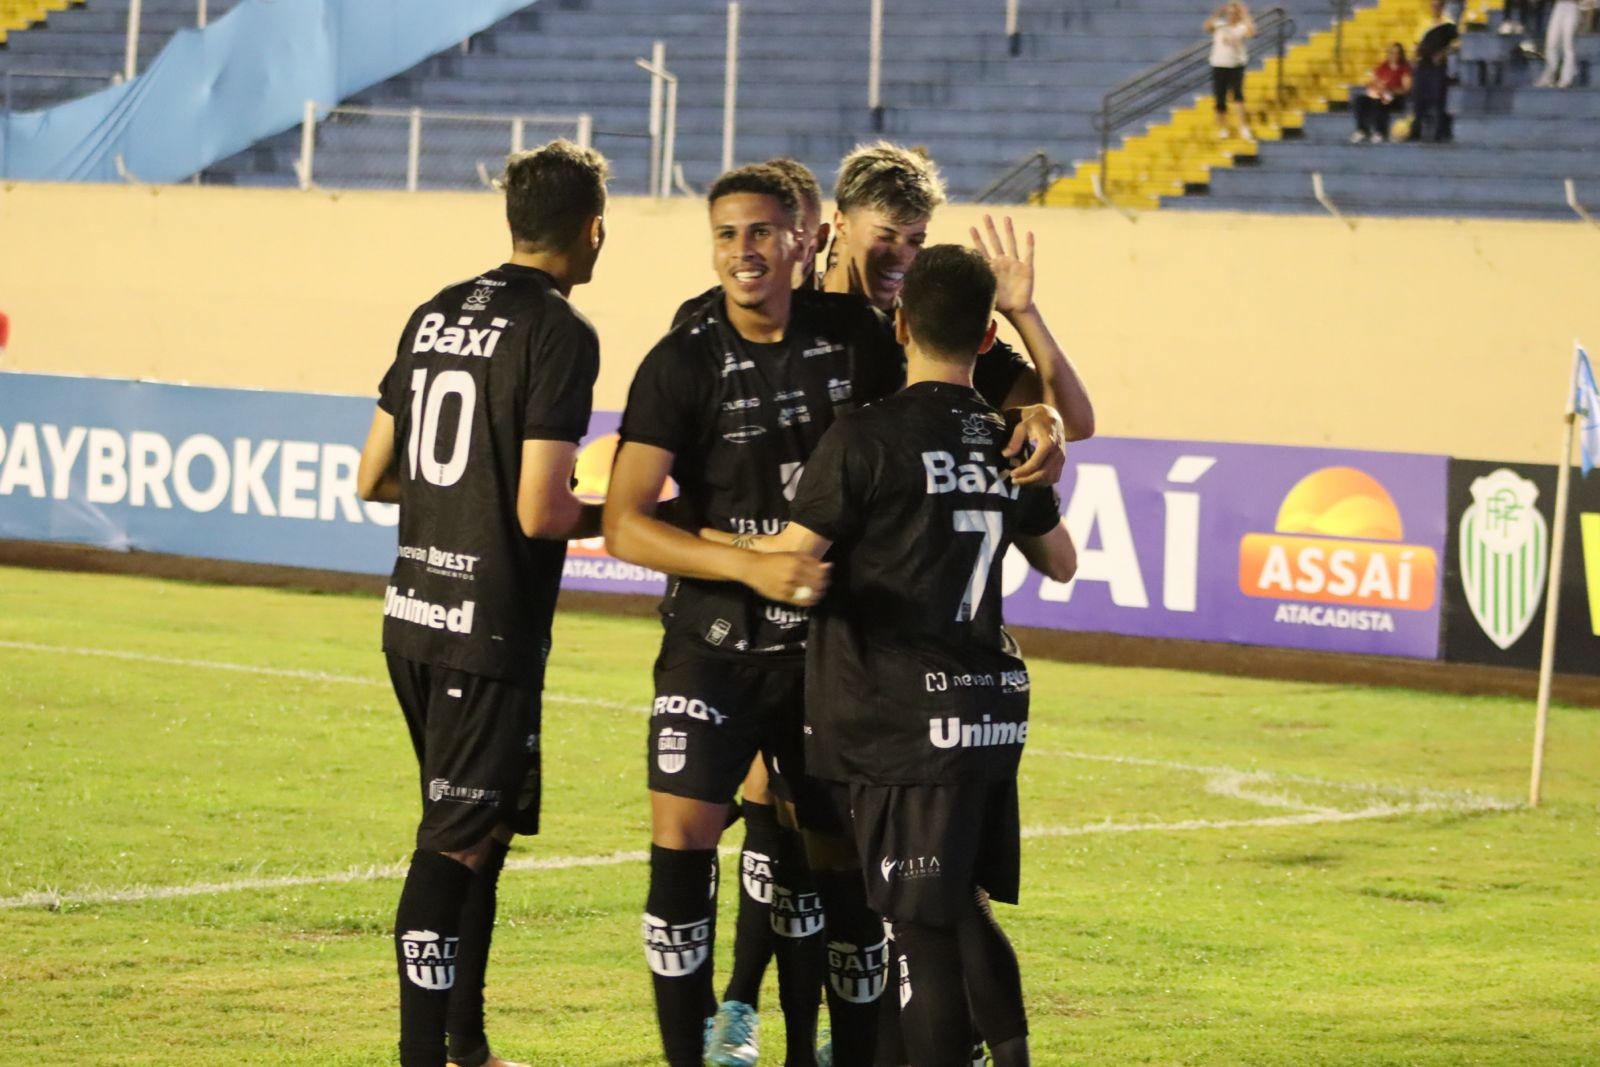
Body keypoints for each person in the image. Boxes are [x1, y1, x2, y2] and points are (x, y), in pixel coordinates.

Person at [602, 163, 1066, 1067]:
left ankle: (832, 1045)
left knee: (874, 899)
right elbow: (624, 523)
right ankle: (730, 1023)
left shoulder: (867, 356)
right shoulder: (693, 347)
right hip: (768, 651)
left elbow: (1032, 406)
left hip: (851, 670)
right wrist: (751, 564)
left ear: (806, 237)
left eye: (766, 231)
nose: (748, 250)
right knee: (739, 853)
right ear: (834, 229)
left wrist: (1040, 409)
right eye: (730, 233)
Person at [707, 245, 1078, 1067]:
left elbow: (794, 566)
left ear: (901, 323)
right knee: (959, 908)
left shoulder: (864, 437)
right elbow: (1061, 559)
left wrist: (709, 537)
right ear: (986, 337)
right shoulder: (1004, 436)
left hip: (898, 718)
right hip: (988, 710)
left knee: (914, 925)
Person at [355, 139, 610, 1067]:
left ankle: (466, 1045)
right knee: (455, 844)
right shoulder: (561, 333)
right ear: (592, 230)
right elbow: (542, 509)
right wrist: (626, 511)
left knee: (483, 831)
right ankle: (426, 1055)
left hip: (415, 617)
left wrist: (447, 507)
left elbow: (373, 476)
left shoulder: (432, 314)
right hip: (486, 629)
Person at [821, 141, 1096, 443]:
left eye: (915, 239)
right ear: (840, 224)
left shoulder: (932, 323)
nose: (902, 256)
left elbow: (1074, 425)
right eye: (885, 236)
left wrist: (1023, 313)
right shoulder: (791, 311)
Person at [1204, 2, 1257, 142]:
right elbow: (1207, 27)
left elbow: (1252, 32)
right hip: (1219, 64)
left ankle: (1243, 127)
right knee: (1219, 98)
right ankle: (1223, 128)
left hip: (1236, 65)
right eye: (1229, 13)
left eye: (1234, 13)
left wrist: (1245, 15)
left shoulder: (1241, 27)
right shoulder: (1220, 25)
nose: (1231, 16)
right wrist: (1217, 13)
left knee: (1238, 95)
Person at [1411, 1, 1461, 143]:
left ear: (1443, 6)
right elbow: (1417, 42)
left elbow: (1456, 45)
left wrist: (1443, 54)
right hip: (1423, 65)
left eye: (1438, 5)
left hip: (1438, 67)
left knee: (1438, 98)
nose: (1435, 8)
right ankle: (1417, 131)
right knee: (1419, 99)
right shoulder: (1424, 22)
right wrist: (1415, 56)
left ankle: (1439, 132)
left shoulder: (1448, 24)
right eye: (1433, 5)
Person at [1351, 44, 1413, 143]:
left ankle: (1380, 131)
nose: (1394, 55)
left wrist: (1389, 89)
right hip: (1381, 94)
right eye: (1392, 53)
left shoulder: (1405, 68)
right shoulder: (1383, 67)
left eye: (1397, 53)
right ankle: (1362, 130)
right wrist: (1374, 87)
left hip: (1397, 97)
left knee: (1381, 101)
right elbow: (1375, 81)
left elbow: (1406, 89)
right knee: (1360, 100)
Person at [1536, 0, 1582, 87]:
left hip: (1572, 6)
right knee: (1551, 43)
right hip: (1559, 6)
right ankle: (1549, 75)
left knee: (1568, 44)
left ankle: (1567, 78)